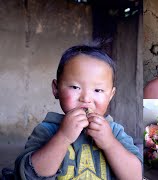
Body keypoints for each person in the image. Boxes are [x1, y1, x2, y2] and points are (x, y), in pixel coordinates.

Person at [14, 44, 142, 180]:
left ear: (111, 95)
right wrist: (63, 137)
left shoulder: (115, 132)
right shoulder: (47, 130)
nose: (86, 98)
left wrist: (110, 143)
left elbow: (136, 176)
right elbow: (28, 175)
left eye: (98, 90)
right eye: (75, 87)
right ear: (56, 89)